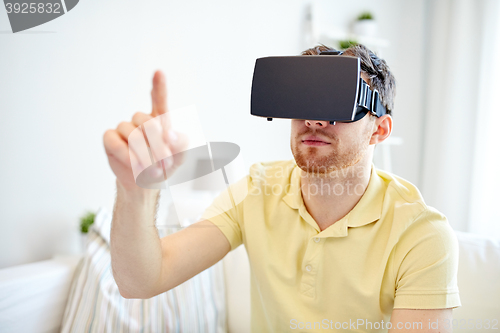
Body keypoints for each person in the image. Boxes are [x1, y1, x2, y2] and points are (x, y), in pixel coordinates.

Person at [103, 44, 460, 332]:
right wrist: (137, 192)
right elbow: (142, 281)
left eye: (337, 103)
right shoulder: (256, 190)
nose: (315, 120)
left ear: (379, 130)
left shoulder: (422, 234)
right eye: (303, 100)